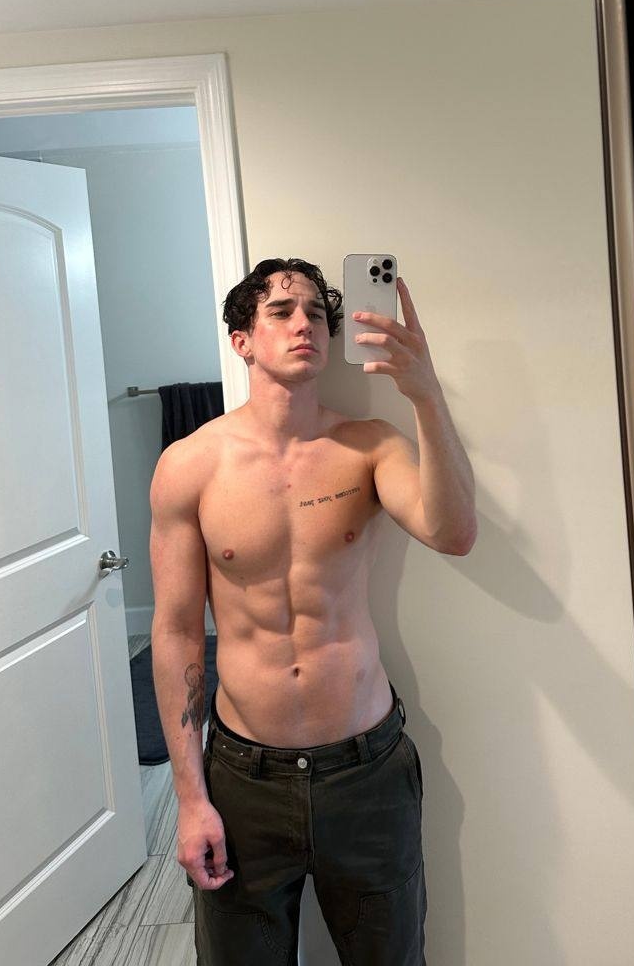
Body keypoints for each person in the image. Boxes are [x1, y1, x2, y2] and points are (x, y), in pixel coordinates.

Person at [149, 256, 477, 965]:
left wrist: (424, 394)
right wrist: (190, 797)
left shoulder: (369, 445)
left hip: (366, 772)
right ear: (241, 340)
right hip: (244, 779)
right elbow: (176, 633)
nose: (305, 325)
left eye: (318, 315)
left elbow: (454, 534)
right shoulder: (190, 465)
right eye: (282, 311)